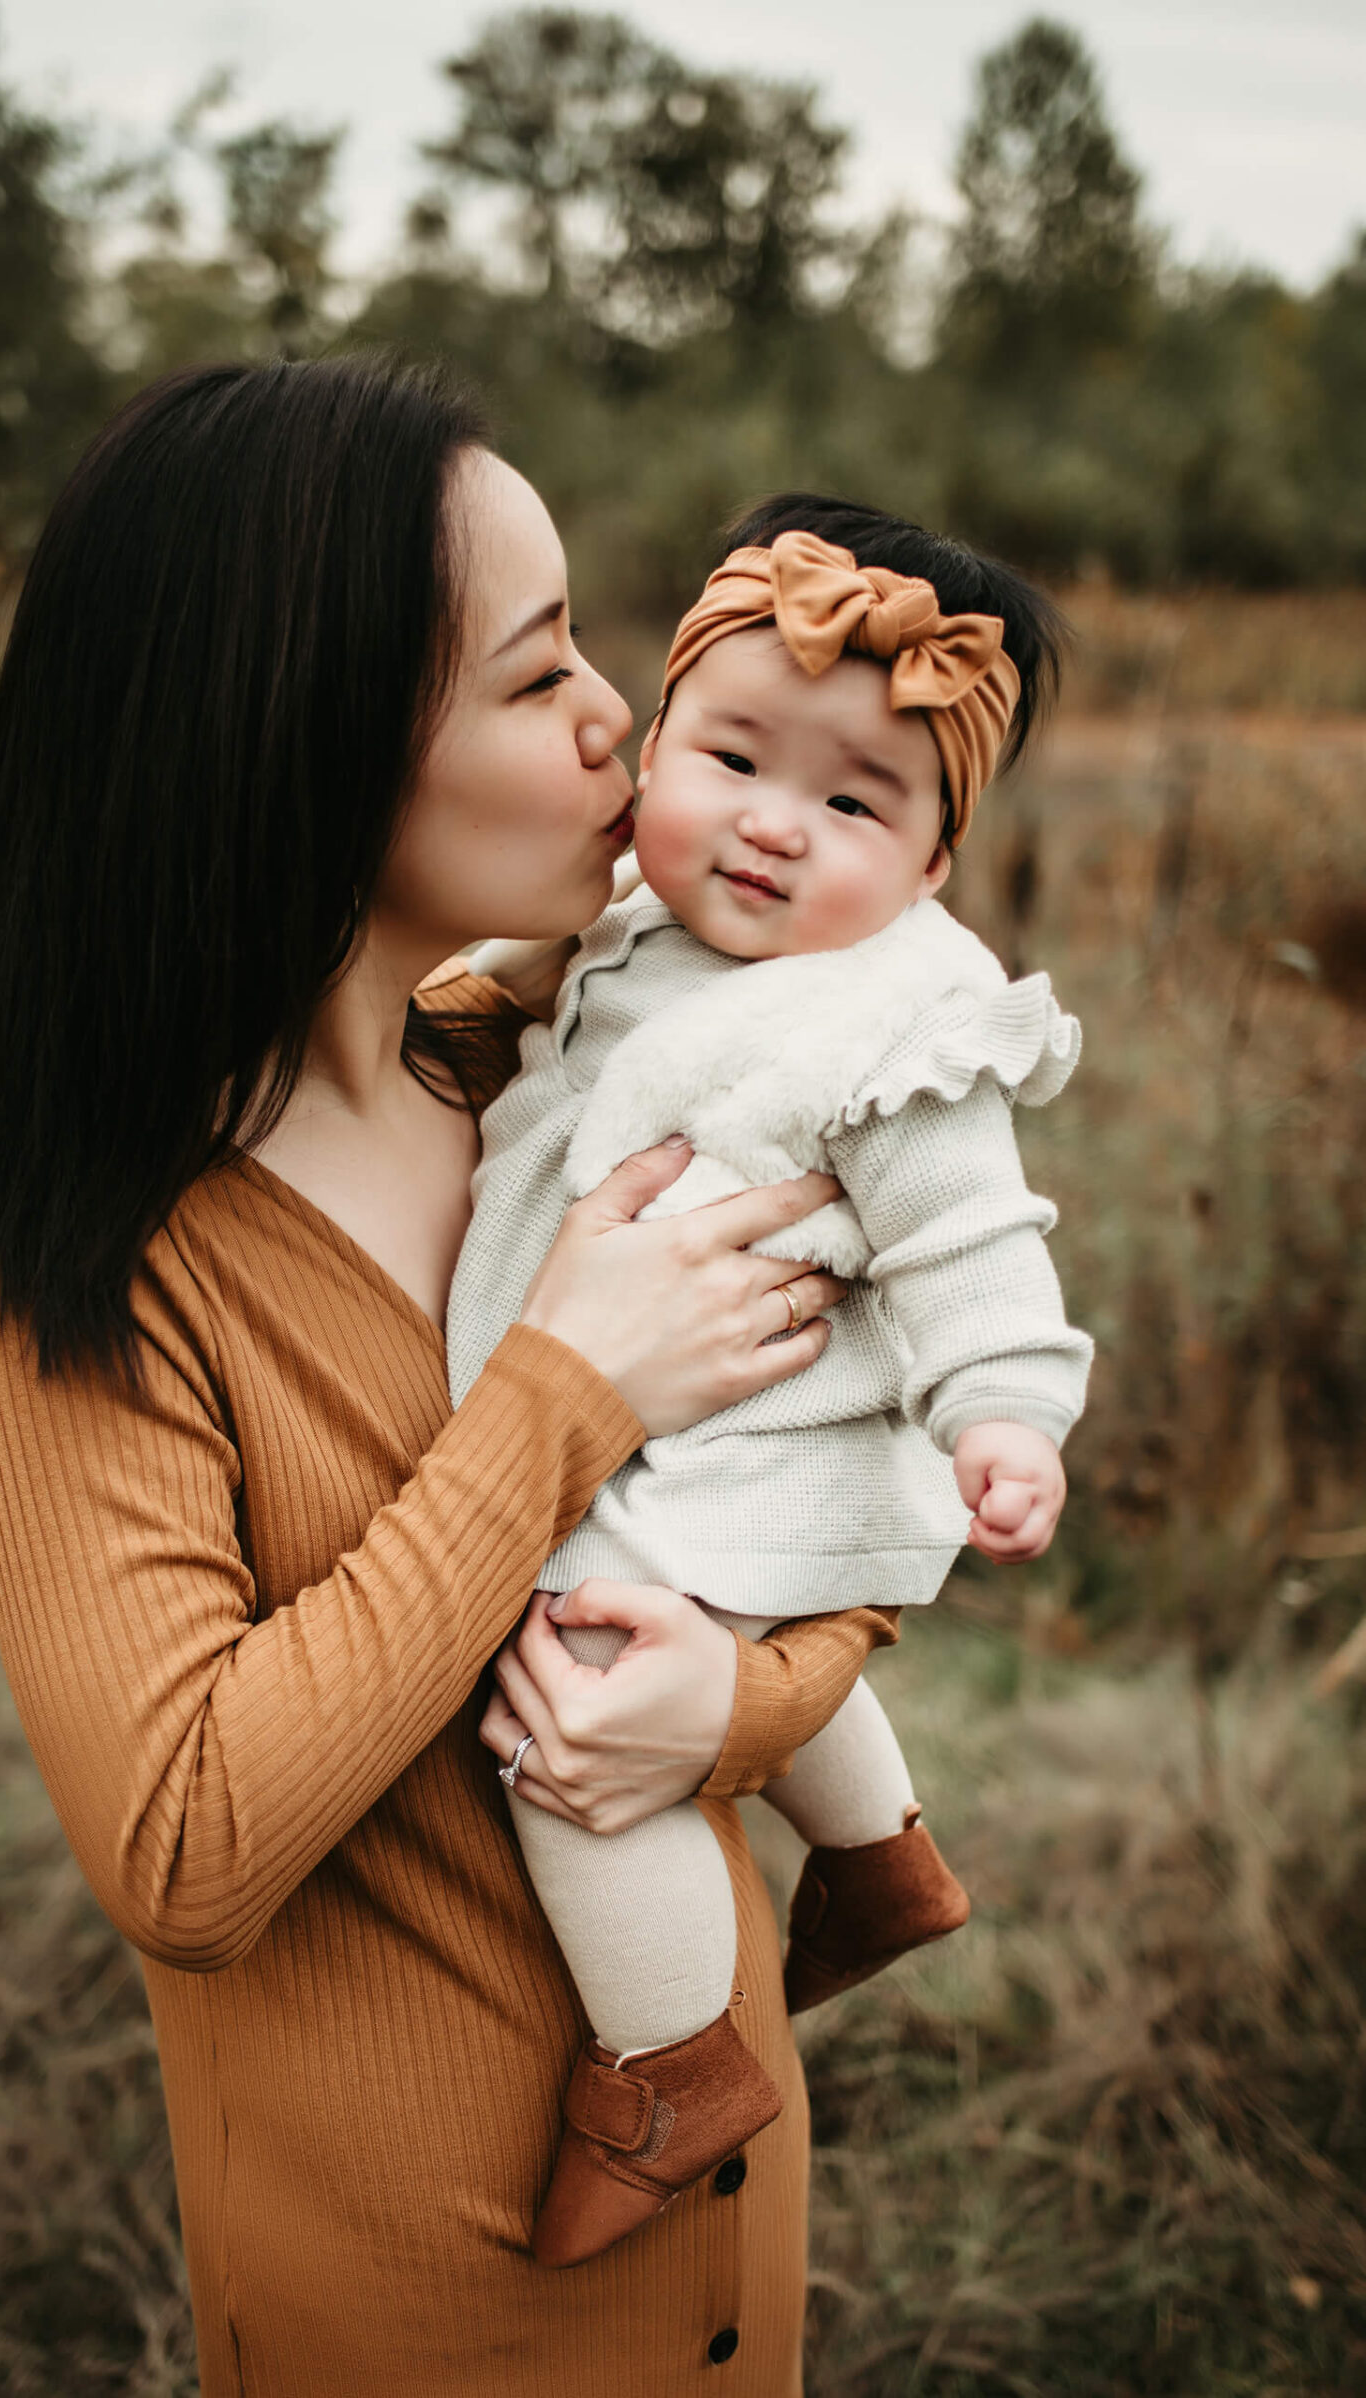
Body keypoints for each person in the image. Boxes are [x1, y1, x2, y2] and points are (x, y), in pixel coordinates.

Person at [0, 356, 903, 2397]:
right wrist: (555, 1399)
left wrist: (742, 1706)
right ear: (300, 744)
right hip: (428, 2306)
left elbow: (836, 1491)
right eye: (533, 673)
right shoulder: (80, 1252)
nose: (616, 717)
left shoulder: (556, 1086)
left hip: (724, 2221)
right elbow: (184, 1847)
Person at [448, 503, 1093, 2266]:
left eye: (856, 805)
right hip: (674, 1427)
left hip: (745, 1451)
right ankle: (881, 1859)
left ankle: (670, 2063)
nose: (774, 823)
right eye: (734, 759)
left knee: (575, 1725)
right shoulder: (627, 918)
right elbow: (528, 1000)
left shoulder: (892, 1026)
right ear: (659, 745)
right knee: (685, 1635)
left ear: (937, 866)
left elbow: (972, 1239)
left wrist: (1006, 1414)